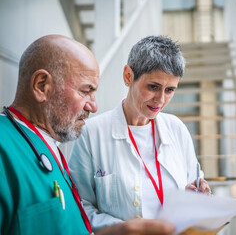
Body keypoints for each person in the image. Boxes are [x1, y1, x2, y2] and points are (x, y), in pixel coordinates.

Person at [0, 34, 175, 235]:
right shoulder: (4, 149)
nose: (94, 106)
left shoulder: (47, 146)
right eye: (85, 91)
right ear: (42, 86)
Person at [68, 35, 211, 232]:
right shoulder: (92, 134)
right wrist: (125, 229)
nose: (160, 99)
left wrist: (196, 194)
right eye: (153, 87)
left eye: (170, 90)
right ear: (128, 76)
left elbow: (193, 181)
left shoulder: (176, 129)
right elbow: (79, 206)